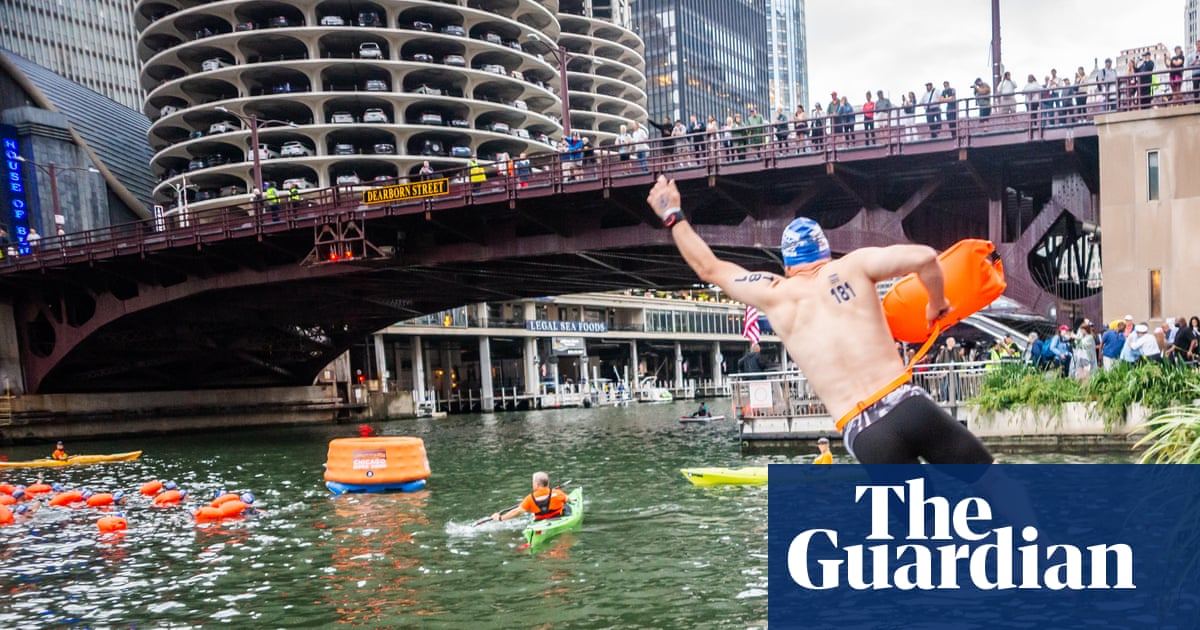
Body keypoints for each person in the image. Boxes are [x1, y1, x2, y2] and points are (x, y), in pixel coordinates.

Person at [645, 176, 993, 465]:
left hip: (864, 432)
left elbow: (709, 269)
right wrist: (937, 303)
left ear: (787, 263)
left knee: (918, 534)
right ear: (825, 251)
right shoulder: (853, 266)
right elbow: (924, 257)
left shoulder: (774, 293)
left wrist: (673, 214)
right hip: (907, 405)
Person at [491, 471, 570, 522]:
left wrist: (500, 518)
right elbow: (567, 499)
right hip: (558, 519)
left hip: (540, 522)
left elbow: (517, 512)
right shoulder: (558, 493)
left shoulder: (530, 498)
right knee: (566, 506)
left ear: (536, 484)